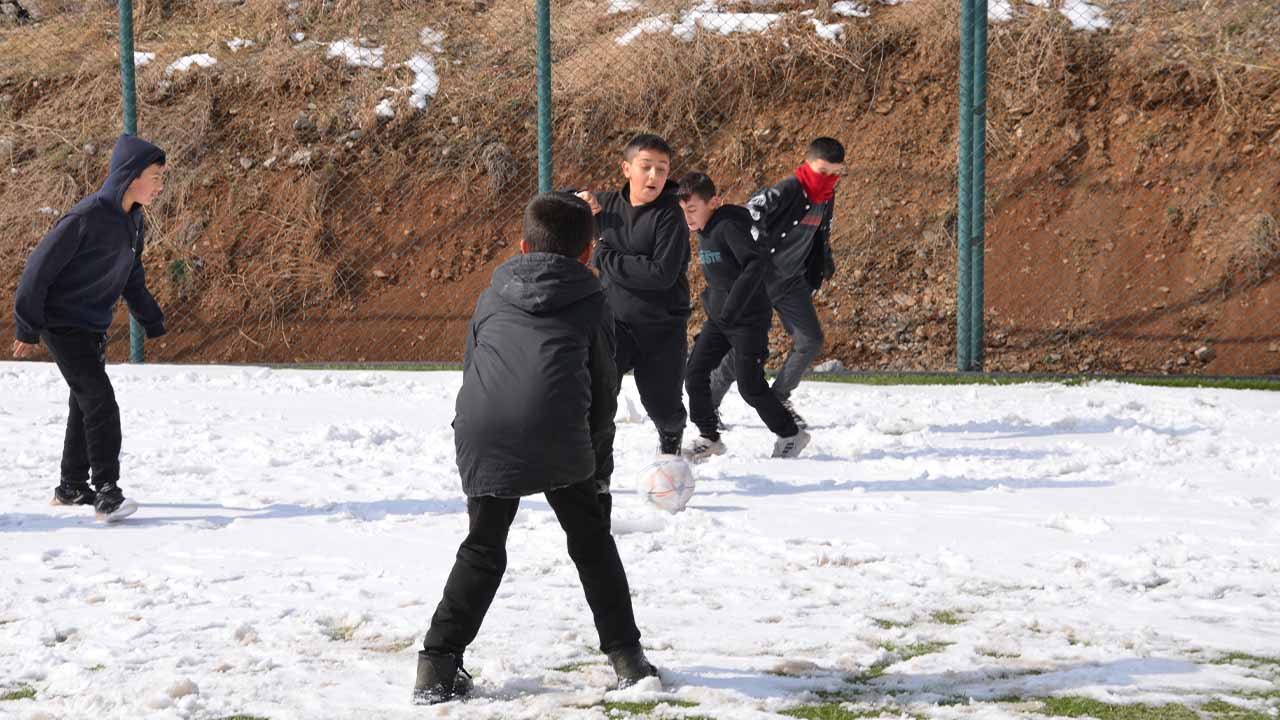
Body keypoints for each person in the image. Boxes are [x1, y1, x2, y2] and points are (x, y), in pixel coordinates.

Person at [414, 193, 658, 705]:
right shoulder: (593, 302)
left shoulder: (491, 294)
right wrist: (598, 474)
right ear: (589, 253)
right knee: (592, 543)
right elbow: (603, 392)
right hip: (560, 433)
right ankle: (628, 661)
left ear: (523, 245)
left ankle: (436, 666)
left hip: (484, 431)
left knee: (482, 547)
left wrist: (470, 435)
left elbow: (472, 370)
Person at [12, 134, 168, 523]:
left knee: (84, 403)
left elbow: (132, 274)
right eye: (154, 176)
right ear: (131, 177)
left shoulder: (134, 222)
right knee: (99, 399)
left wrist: (149, 317)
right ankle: (107, 492)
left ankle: (71, 487)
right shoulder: (85, 218)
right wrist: (27, 326)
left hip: (91, 323)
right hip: (61, 323)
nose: (160, 184)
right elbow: (37, 271)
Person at [574, 133, 691, 520]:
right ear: (627, 169)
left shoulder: (670, 215)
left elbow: (660, 274)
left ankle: (671, 440)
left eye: (662, 168)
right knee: (600, 397)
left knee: (663, 405)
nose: (654, 175)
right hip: (614, 324)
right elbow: (552, 204)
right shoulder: (605, 205)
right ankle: (597, 475)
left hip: (661, 327)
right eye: (646, 167)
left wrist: (607, 257)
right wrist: (577, 196)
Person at [708, 137, 845, 430]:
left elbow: (821, 235)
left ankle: (779, 398)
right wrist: (751, 256)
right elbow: (749, 214)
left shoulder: (827, 196)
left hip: (791, 281)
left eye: (836, 173)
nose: (829, 179)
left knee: (810, 340)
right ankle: (707, 403)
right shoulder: (787, 190)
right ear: (807, 164)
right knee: (745, 348)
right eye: (823, 171)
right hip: (762, 281)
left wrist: (822, 262)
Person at [677, 172, 810, 461]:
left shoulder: (726, 226)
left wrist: (733, 306)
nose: (687, 217)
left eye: (692, 210)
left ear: (714, 202)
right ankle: (709, 437)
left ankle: (791, 434)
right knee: (695, 373)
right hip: (720, 319)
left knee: (751, 387)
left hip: (748, 318)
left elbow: (755, 263)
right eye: (683, 211)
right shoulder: (705, 226)